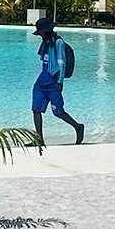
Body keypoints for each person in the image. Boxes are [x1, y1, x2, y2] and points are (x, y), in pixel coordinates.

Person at [30, 16, 85, 148]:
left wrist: (60, 82)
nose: (40, 35)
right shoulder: (46, 43)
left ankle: (78, 127)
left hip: (53, 83)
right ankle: (39, 139)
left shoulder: (59, 42)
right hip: (41, 82)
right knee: (36, 110)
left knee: (58, 112)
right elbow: (44, 61)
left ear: (47, 31)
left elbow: (61, 63)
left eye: (41, 32)